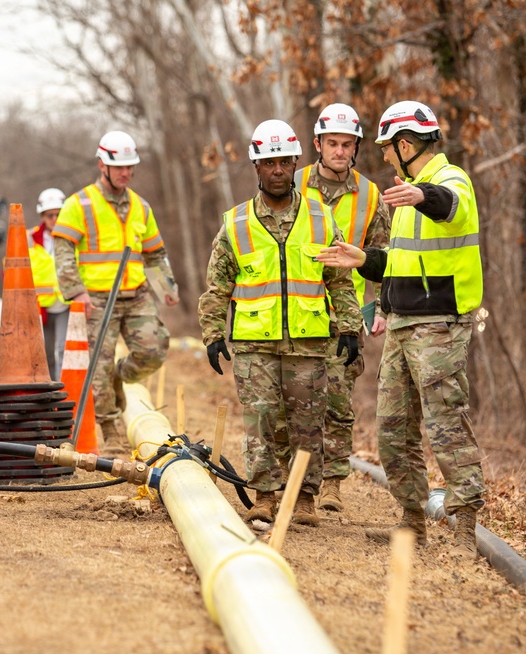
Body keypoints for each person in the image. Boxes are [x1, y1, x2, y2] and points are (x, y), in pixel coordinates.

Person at [315, 100, 487, 559]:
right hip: (403, 324)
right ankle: (412, 521)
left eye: (389, 148)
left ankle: (464, 528)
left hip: (439, 325)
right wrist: (363, 259)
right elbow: (403, 261)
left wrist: (423, 196)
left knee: (445, 423)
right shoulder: (407, 192)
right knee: (392, 430)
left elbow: (452, 208)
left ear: (406, 144)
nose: (386, 156)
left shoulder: (449, 182)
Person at [198, 119, 362, 528]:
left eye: (284, 162)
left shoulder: (321, 218)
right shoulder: (235, 224)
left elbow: (340, 279)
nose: (277, 170)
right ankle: (265, 496)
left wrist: (350, 327)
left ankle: (304, 498)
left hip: (309, 342)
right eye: (269, 162)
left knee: (308, 423)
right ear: (256, 166)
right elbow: (217, 286)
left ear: (294, 164)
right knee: (261, 421)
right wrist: (213, 334)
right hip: (255, 343)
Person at [52, 130, 179, 455]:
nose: (125, 172)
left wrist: (166, 287)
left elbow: (154, 253)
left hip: (135, 294)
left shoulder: (141, 206)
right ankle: (110, 430)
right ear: (102, 165)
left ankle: (123, 376)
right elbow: (63, 249)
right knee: (100, 365)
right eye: (118, 166)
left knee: (154, 349)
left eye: (130, 166)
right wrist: (75, 292)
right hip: (95, 297)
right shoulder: (78, 204)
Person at [292, 102, 390, 513]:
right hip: (296, 307)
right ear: (317, 144)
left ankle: (331, 483)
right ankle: (299, 488)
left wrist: (381, 306)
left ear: (356, 147)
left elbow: (384, 255)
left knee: (336, 401)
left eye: (347, 144)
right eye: (332, 143)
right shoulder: (291, 182)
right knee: (297, 403)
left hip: (344, 315)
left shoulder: (370, 195)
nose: (339, 151)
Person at [30, 187, 70, 380]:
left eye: (58, 214)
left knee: (63, 349)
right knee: (44, 353)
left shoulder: (74, 237)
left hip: (66, 302)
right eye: (49, 215)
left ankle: (63, 392)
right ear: (42, 216)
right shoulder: (30, 239)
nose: (54, 219)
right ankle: (49, 390)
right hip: (40, 305)